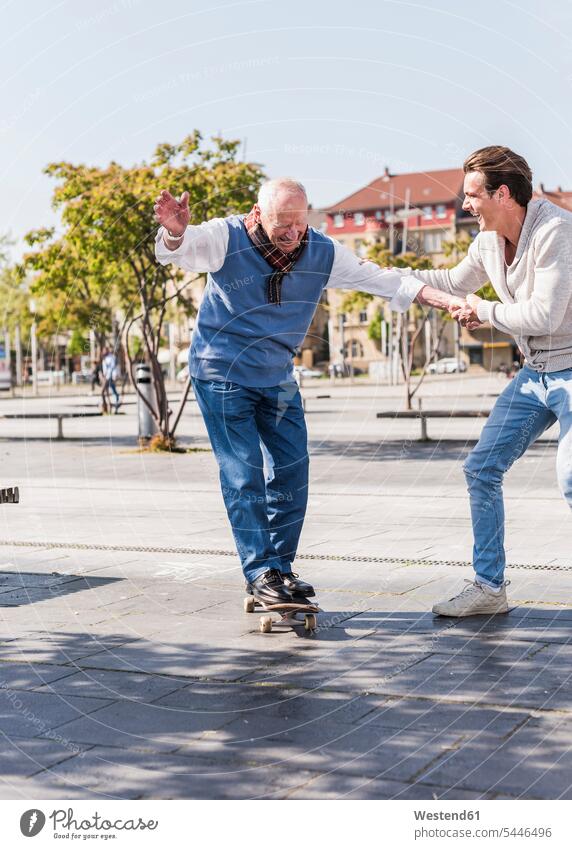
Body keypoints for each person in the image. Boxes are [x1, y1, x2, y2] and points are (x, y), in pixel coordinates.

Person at [154, 178, 461, 604]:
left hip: (277, 375)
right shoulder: (227, 237)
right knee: (243, 474)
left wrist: (445, 301)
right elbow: (186, 248)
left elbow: (383, 279)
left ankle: (279, 567)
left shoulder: (321, 251)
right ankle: (259, 570)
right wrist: (174, 231)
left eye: (300, 224)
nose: (292, 235)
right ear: (259, 215)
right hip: (221, 372)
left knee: (293, 469)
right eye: (283, 224)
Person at [409, 145, 572, 617]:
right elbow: (450, 280)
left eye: (471, 195)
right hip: (535, 373)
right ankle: (488, 587)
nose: (465, 205)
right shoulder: (486, 242)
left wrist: (484, 311)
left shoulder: (555, 230)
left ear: (502, 193)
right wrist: (381, 277)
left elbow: (543, 314)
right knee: (481, 468)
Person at [101, 348, 120, 414]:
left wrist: (114, 375)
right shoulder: (105, 358)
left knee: (104, 392)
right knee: (106, 392)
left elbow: (114, 367)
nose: (103, 352)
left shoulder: (111, 358)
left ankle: (113, 406)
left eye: (105, 351)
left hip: (109, 377)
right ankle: (109, 407)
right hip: (106, 377)